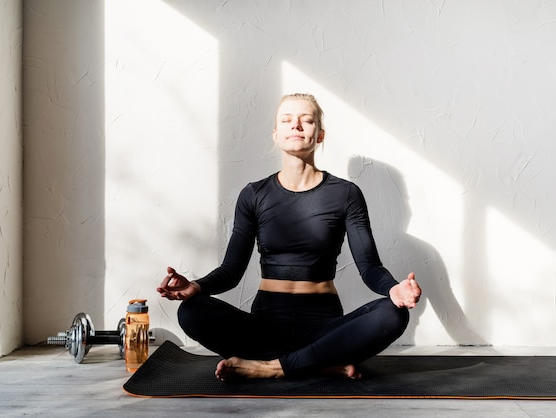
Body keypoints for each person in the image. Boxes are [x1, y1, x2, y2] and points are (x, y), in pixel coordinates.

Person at [157, 93, 422, 381]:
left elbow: (369, 267)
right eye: (286, 120)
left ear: (319, 135)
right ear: (276, 134)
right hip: (265, 327)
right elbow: (231, 271)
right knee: (191, 311)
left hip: (323, 327)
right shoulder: (254, 194)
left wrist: (394, 290)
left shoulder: (345, 194)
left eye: (306, 120)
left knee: (394, 314)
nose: (296, 125)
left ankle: (271, 367)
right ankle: (317, 364)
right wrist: (195, 287)